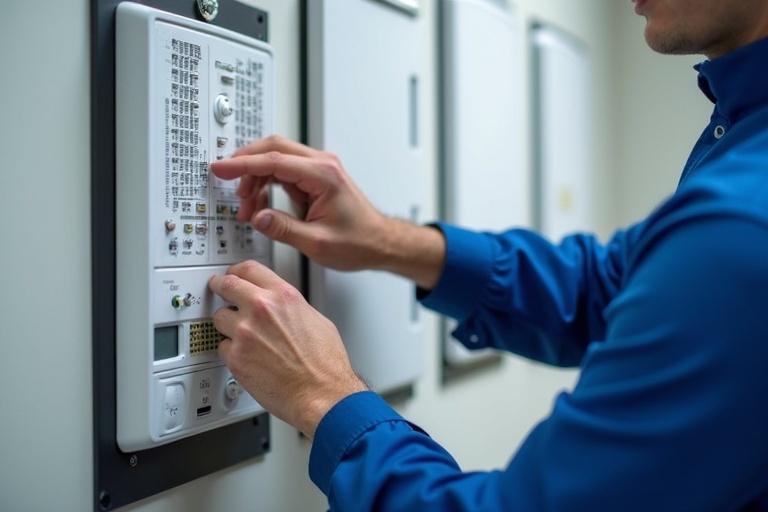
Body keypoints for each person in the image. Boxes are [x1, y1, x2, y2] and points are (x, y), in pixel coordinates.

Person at [207, 0, 768, 509]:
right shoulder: (742, 157)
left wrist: (322, 395)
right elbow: (606, 286)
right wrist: (386, 239)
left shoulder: (739, 225)